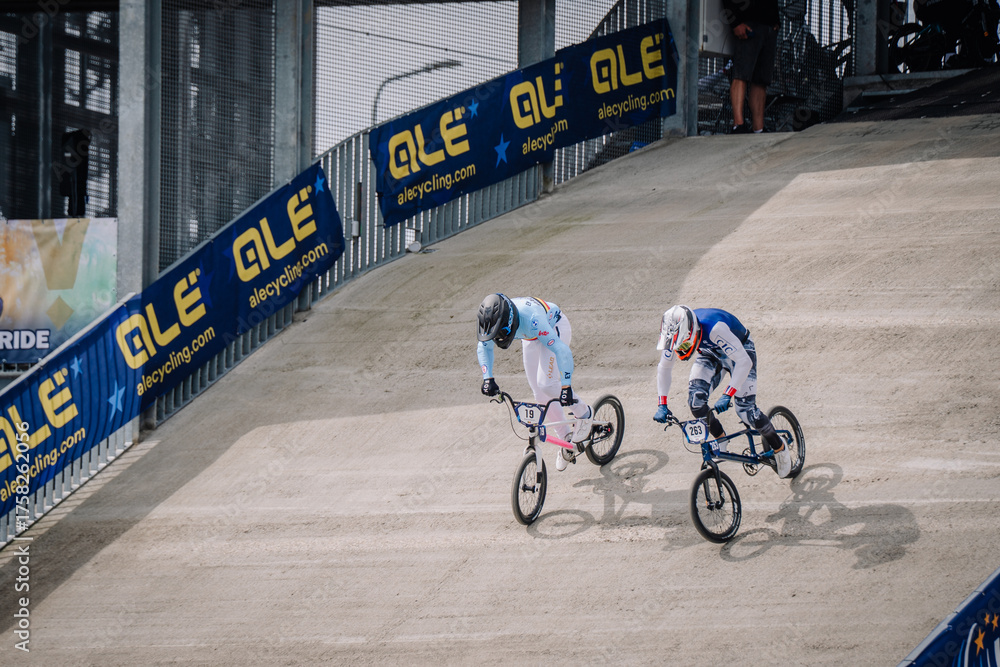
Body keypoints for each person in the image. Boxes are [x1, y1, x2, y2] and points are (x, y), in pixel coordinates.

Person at [652, 305, 791, 478]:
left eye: (685, 345)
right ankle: (721, 439)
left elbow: (744, 363)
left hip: (740, 352)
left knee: (746, 411)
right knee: (696, 402)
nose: (681, 350)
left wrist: (728, 394)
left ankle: (780, 448)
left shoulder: (716, 329)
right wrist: (662, 404)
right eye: (678, 346)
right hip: (710, 353)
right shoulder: (674, 335)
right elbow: (664, 368)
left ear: (693, 332)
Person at [477, 293, 592, 472]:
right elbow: (483, 346)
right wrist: (488, 378)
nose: (497, 337)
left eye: (500, 332)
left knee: (547, 384)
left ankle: (584, 414)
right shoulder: (492, 320)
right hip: (530, 337)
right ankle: (565, 438)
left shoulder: (532, 319)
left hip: (553, 327)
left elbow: (561, 350)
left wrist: (566, 386)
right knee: (538, 392)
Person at [722, 0, 780, 134]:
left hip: (769, 25)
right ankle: (738, 125)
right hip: (748, 24)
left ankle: (758, 128)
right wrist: (735, 23)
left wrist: (776, 21)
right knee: (741, 75)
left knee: (761, 80)